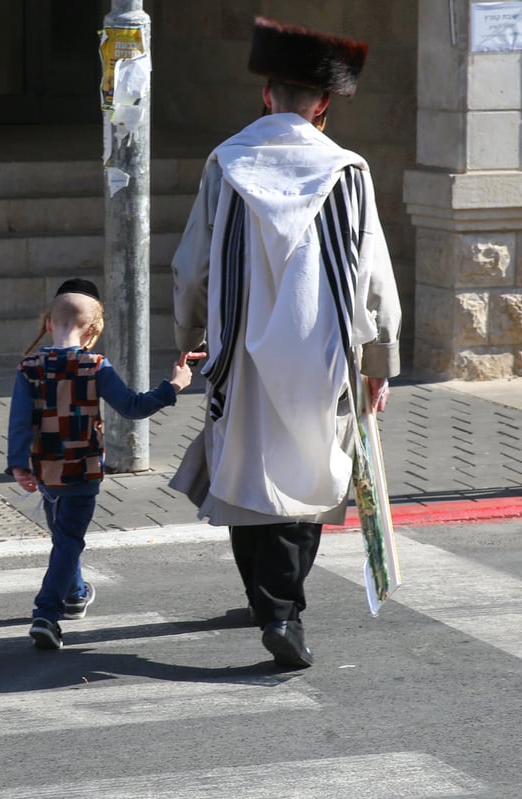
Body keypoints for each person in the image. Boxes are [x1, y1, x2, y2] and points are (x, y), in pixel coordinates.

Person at [169, 17, 402, 669]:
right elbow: (374, 277)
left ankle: (273, 607)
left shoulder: (226, 163)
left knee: (247, 474)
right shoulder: (350, 172)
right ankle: (283, 603)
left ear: (265, 96)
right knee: (311, 470)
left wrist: (188, 334)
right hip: (324, 352)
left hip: (242, 351)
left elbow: (190, 267)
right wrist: (378, 362)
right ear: (323, 104)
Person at [7, 279, 201, 650]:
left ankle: (76, 593)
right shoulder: (95, 366)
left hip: (45, 468)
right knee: (68, 540)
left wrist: (19, 464)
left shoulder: (28, 368)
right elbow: (133, 407)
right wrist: (174, 386)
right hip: (82, 469)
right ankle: (46, 613)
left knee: (64, 539)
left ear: (48, 323)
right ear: (94, 330)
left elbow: (19, 421)